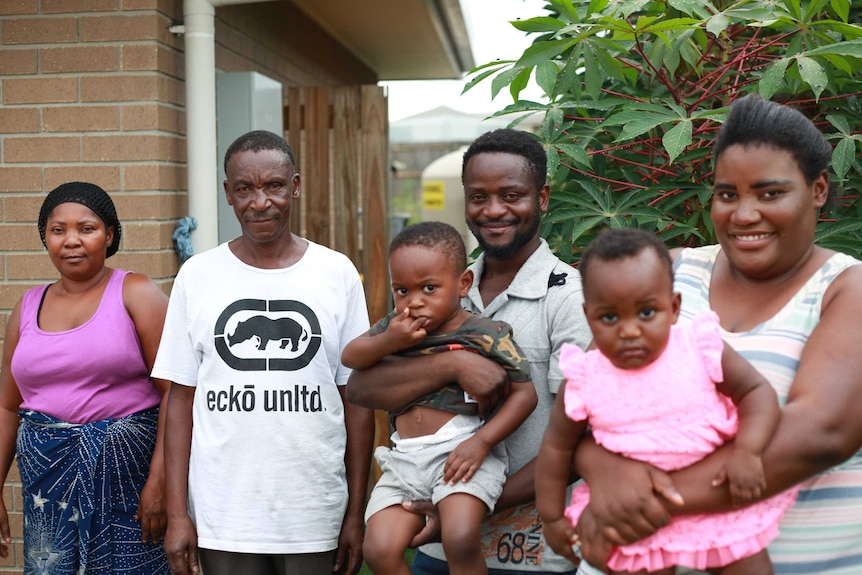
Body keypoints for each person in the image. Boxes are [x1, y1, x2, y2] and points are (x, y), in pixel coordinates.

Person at [571, 94, 862, 575]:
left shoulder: (846, 289)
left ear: (818, 190)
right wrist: (606, 472)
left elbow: (821, 433)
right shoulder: (671, 273)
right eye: (728, 194)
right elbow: (588, 399)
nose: (744, 214)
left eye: (770, 193)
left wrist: (640, 502)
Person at [348, 128, 592, 575]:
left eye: (512, 195)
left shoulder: (568, 298)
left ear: (542, 198)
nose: (494, 210)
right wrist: (455, 362)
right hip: (435, 549)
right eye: (478, 197)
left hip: (533, 552)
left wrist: (465, 500)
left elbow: (584, 441)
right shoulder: (436, 290)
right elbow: (363, 386)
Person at [153, 130, 373, 575]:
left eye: (273, 185)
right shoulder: (197, 277)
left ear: (294, 185)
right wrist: (179, 514)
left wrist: (355, 511)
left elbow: (356, 398)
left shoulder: (336, 273)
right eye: (244, 188)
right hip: (224, 512)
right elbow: (180, 400)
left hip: (314, 510)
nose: (260, 202)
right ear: (228, 194)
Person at [537, 227, 798, 574]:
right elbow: (556, 448)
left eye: (647, 313)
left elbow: (756, 392)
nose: (629, 330)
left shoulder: (699, 347)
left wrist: (748, 451)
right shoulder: (586, 376)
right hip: (634, 512)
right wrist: (552, 516)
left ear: (674, 308)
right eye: (610, 317)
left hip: (713, 499)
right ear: (589, 317)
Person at [344, 221, 538, 575]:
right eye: (401, 290)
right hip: (404, 462)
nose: (414, 301)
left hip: (461, 455)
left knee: (460, 537)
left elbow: (525, 395)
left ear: (463, 284)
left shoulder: (484, 333)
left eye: (429, 288)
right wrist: (390, 341)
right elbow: (351, 357)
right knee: (380, 548)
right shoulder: (397, 328)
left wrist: (482, 442)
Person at [0, 182, 171, 574]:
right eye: (58, 230)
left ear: (109, 235)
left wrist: (160, 482)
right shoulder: (27, 306)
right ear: (45, 237)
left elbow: (176, 393)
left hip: (129, 487)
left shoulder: (136, 292)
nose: (71, 241)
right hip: (48, 492)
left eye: (86, 229)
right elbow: (8, 406)